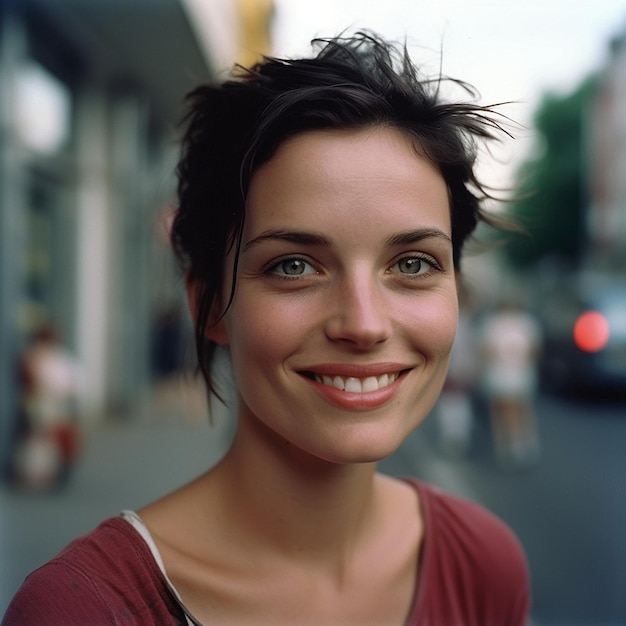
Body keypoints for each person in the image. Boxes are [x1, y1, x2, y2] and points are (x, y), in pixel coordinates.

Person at [3, 32, 530, 625]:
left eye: (412, 264)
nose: (363, 324)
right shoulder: (81, 612)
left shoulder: (485, 565)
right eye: (294, 266)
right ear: (208, 307)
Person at [480, 294, 542, 468]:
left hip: (499, 374)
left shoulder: (492, 323)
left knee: (500, 413)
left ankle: (507, 447)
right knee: (522, 409)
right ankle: (524, 443)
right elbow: (535, 352)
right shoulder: (527, 322)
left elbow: (486, 352)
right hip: (521, 373)